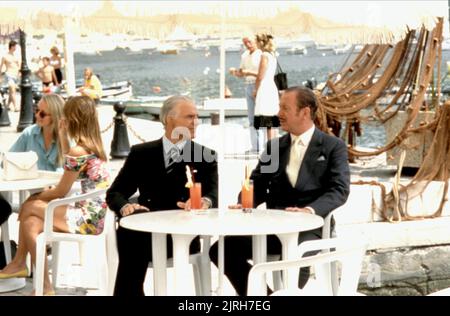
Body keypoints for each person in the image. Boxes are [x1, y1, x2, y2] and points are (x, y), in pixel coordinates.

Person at [209, 86, 350, 295]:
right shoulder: (274, 147)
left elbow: (339, 190)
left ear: (305, 112)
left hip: (311, 229)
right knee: (221, 249)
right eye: (279, 107)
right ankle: (264, 297)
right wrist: (245, 202)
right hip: (273, 226)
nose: (278, 114)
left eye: (285, 108)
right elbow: (256, 182)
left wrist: (310, 210)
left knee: (294, 257)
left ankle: (287, 293)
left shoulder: (332, 146)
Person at [106, 95, 218, 296]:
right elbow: (115, 192)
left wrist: (204, 202)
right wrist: (125, 206)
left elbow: (213, 194)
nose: (196, 123)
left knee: (130, 239)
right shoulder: (142, 153)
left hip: (183, 235)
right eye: (189, 117)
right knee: (129, 234)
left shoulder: (205, 155)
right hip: (145, 235)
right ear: (169, 120)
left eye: (197, 117)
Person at [0, 96, 110, 295]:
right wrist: (63, 134)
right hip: (93, 212)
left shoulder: (78, 150)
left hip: (86, 218)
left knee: (28, 206)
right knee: (30, 222)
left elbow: (61, 191)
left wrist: (38, 197)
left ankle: (18, 263)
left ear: (72, 119)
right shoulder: (91, 146)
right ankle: (44, 287)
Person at [9, 94, 67, 171]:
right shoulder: (29, 133)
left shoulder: (67, 137)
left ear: (55, 116)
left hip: (59, 182)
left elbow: (75, 170)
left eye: (42, 114)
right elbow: (9, 160)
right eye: (36, 110)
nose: (37, 115)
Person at [229, 36, 262, 153]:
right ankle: (255, 147)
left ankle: (261, 146)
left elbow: (262, 74)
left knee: (260, 115)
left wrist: (248, 73)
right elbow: (241, 72)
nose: (247, 44)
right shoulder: (244, 55)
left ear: (255, 41)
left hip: (259, 85)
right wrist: (235, 72)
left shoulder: (261, 54)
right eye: (245, 43)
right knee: (251, 117)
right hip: (248, 85)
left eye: (249, 42)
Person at [252, 33, 280, 145]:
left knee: (267, 119)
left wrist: (256, 90)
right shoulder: (272, 55)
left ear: (261, 42)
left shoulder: (264, 55)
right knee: (271, 119)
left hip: (265, 87)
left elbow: (260, 76)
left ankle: (270, 146)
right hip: (271, 86)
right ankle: (272, 145)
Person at [0, 40, 20, 112]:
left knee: (11, 91)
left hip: (15, 76)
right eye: (15, 46)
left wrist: (19, 73)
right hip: (9, 75)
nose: (16, 48)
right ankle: (16, 107)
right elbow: (1, 67)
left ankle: (7, 106)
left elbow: (19, 66)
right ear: (11, 46)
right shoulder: (5, 56)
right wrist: (0, 77)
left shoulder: (16, 56)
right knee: (13, 90)